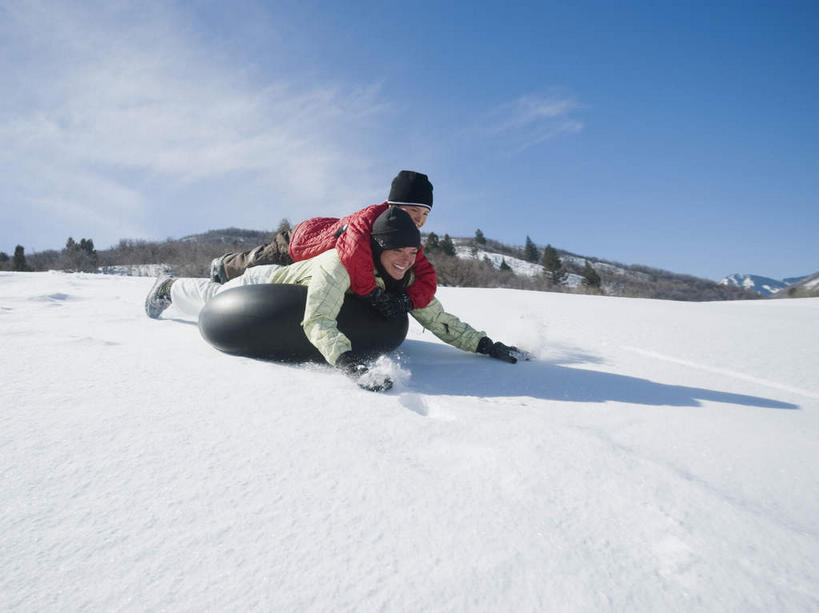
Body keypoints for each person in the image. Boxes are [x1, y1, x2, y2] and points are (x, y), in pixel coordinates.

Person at [145, 208, 522, 391]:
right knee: (213, 297)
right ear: (377, 247)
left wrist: (485, 344)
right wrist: (350, 364)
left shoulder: (399, 273)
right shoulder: (337, 266)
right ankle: (169, 287)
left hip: (296, 293)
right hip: (266, 285)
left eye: (412, 252)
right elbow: (318, 319)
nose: (407, 260)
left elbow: (436, 316)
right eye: (398, 251)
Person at [209, 170, 438, 321]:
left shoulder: (405, 240)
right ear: (393, 206)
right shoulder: (368, 220)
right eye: (414, 210)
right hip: (300, 243)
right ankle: (222, 265)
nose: (419, 219)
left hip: (315, 260)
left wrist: (408, 300)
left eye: (425, 213)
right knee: (251, 264)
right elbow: (353, 255)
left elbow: (427, 277)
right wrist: (372, 294)